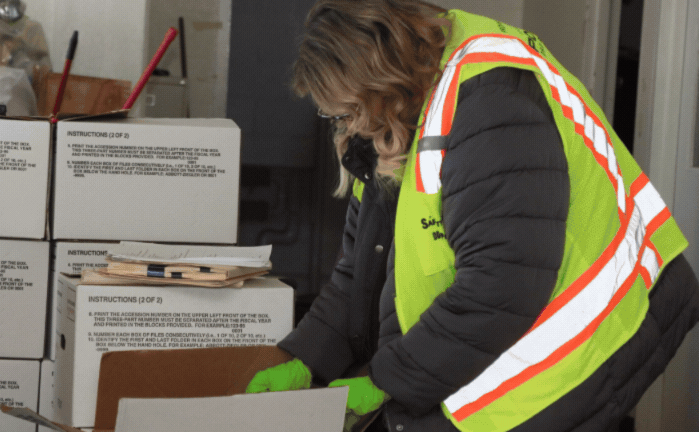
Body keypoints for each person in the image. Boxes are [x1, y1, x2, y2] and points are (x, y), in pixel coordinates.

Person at [245, 1, 699, 431]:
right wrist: (305, 358)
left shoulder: (491, 102)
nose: (345, 125)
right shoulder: (395, 121)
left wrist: (385, 380)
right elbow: (360, 272)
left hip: (580, 351)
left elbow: (499, 288)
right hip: (499, 336)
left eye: (346, 110)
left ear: (380, 80)